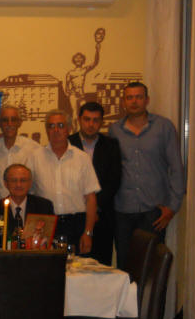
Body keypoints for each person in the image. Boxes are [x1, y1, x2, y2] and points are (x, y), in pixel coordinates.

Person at [109, 82, 186, 270]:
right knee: (125, 265)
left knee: (152, 267)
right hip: (123, 210)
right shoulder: (114, 130)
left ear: (147, 100)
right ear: (124, 102)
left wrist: (172, 207)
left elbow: (176, 168)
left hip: (154, 210)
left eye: (139, 97)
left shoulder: (164, 127)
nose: (134, 101)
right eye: (129, 97)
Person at [29, 110, 100, 253]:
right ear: (46, 130)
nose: (56, 130)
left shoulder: (82, 158)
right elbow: (29, 196)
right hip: (46, 225)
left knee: (78, 266)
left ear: (69, 129)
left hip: (77, 224)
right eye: (51, 126)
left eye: (60, 125)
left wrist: (88, 233)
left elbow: (91, 198)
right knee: (49, 266)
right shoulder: (34, 158)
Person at [68, 102, 121, 265]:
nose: (91, 124)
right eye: (87, 119)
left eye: (96, 120)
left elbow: (113, 181)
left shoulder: (111, 145)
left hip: (102, 218)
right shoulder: (68, 143)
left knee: (101, 267)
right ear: (79, 120)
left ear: (102, 122)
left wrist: (95, 208)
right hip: (75, 216)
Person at [0, 164, 54, 254]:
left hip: (36, 258)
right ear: (5, 184)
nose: (18, 184)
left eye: (23, 180)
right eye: (13, 180)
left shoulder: (44, 206)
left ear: (30, 183)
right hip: (5, 259)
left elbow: (49, 240)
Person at [0, 105, 40, 198]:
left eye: (13, 120)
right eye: (5, 120)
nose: (9, 124)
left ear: (19, 122)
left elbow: (38, 183)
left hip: (26, 204)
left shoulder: (34, 149)